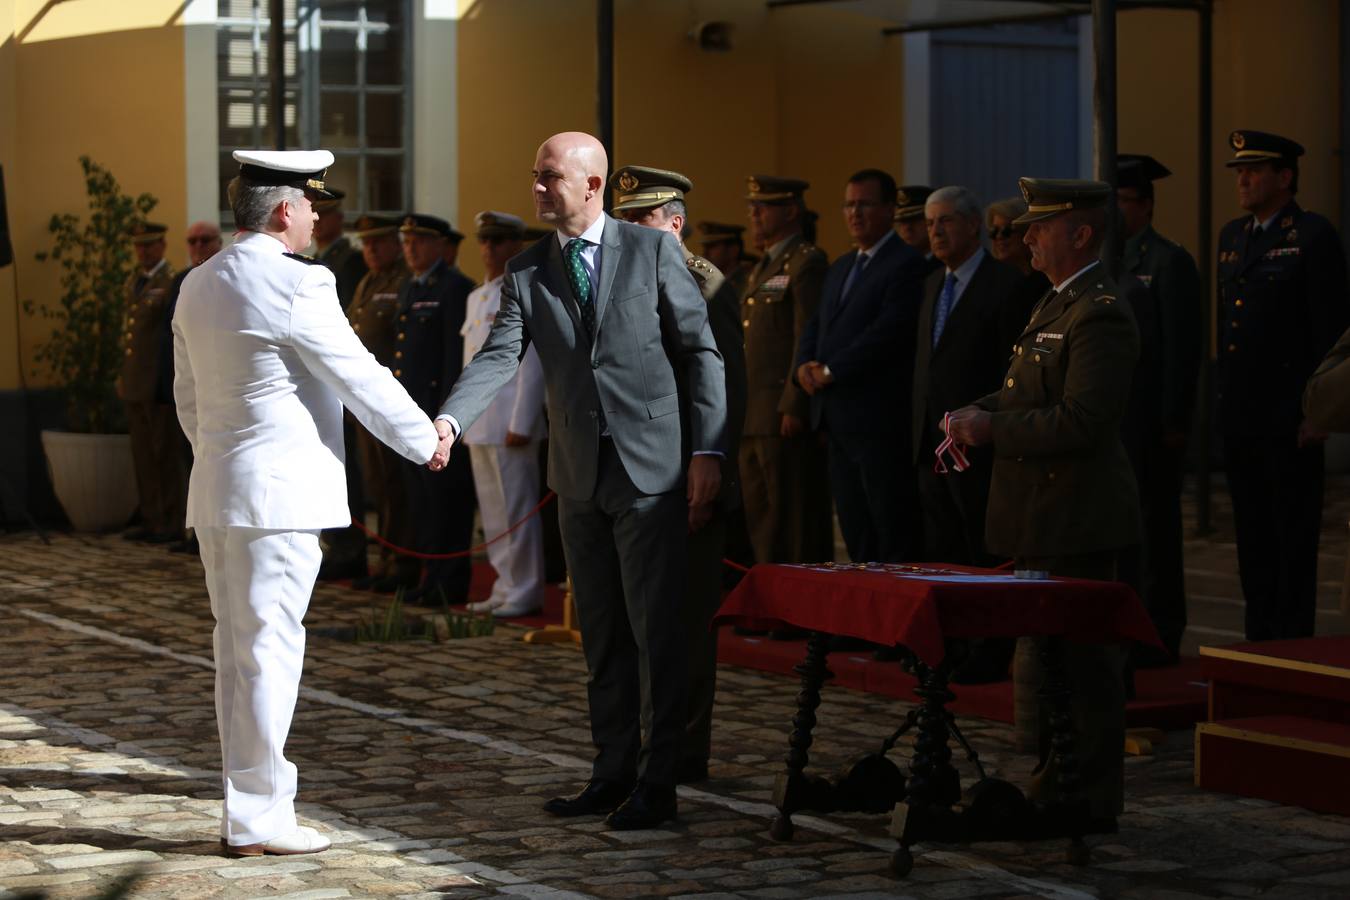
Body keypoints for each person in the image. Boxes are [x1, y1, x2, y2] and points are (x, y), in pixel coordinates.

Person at [437, 132, 726, 829]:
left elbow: (700, 352)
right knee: (601, 632)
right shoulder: (531, 270)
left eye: (549, 178)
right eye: (534, 176)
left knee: (655, 631)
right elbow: (500, 354)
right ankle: (612, 770)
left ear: (592, 185)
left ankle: (660, 783)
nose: (536, 188)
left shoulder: (652, 250)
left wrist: (708, 451)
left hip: (651, 471)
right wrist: (448, 420)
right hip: (577, 474)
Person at [173, 149, 447, 856]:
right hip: (281, 498)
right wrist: (424, 439)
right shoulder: (302, 283)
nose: (319, 216)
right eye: (311, 205)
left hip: (220, 493)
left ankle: (248, 810)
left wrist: (220, 460)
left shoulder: (198, 282)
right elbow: (358, 374)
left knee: (238, 653)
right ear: (285, 211)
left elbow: (189, 399)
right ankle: (261, 816)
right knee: (267, 652)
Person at [946, 177, 1141, 827]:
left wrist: (991, 429)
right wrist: (979, 409)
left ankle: (1085, 798)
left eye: (1041, 226)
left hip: (1077, 518)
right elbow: (1028, 394)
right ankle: (1055, 782)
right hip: (1039, 514)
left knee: (1082, 671)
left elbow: (1083, 419)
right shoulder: (1055, 303)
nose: (1026, 236)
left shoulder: (1100, 310)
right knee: (1049, 664)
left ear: (1080, 234)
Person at [608, 164, 748, 784]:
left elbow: (718, 384)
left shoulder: (705, 283)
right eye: (625, 218)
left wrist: (707, 466)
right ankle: (646, 743)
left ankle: (683, 750)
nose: (631, 228)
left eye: (643, 218)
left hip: (689, 478)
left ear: (675, 223)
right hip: (633, 478)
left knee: (685, 624)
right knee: (635, 622)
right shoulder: (622, 279)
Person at [1217, 129, 1350, 641]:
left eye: (1253, 171)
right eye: (1239, 172)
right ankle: (1258, 644)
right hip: (1242, 416)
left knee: (1292, 540)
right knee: (1252, 541)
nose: (1243, 180)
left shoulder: (1313, 236)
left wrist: (1319, 415)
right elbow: (1225, 331)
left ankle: (1291, 647)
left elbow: (1330, 334)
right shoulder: (1234, 237)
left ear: (1285, 177)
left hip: (1289, 418)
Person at [910, 186, 1025, 683]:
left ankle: (991, 648)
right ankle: (951, 643)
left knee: (985, 551)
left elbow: (1009, 370)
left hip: (979, 443)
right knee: (944, 549)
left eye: (947, 221)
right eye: (931, 223)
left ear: (973, 226)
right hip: (932, 444)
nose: (936, 231)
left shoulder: (1006, 285)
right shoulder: (934, 283)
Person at [795, 168, 924, 563]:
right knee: (854, 526)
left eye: (864, 204)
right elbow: (817, 323)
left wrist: (831, 370)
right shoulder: (842, 265)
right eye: (849, 205)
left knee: (888, 525)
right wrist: (803, 365)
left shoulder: (905, 263)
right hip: (836, 420)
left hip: (878, 419)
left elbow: (888, 333)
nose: (855, 213)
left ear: (889, 209)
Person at [1117, 153, 1203, 664]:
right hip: (1120, 422)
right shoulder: (1111, 258)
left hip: (1153, 423)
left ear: (1146, 206)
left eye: (1125, 201)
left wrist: (1174, 420)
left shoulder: (1167, 261)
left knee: (1157, 532)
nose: (1117, 212)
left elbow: (1181, 349)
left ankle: (1162, 629)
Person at [741, 175, 832, 570]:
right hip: (754, 411)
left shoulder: (806, 262)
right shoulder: (763, 264)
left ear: (791, 211)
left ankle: (797, 612)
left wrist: (795, 402)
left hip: (781, 409)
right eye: (753, 206)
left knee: (793, 519)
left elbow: (805, 335)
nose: (754, 214)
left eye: (764, 206)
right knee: (762, 519)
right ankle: (771, 611)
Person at [459, 210, 547, 618]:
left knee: (517, 510)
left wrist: (523, 421)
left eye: (498, 241)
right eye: (484, 241)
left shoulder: (527, 288)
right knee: (493, 512)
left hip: (511, 420)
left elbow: (532, 363)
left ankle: (526, 588)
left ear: (516, 245)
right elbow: (471, 365)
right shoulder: (477, 297)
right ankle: (504, 583)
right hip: (482, 421)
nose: (489, 249)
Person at [395, 213, 478, 605]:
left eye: (419, 242)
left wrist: (448, 414)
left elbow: (452, 362)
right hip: (412, 413)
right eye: (407, 241)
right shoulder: (410, 288)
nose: (411, 249)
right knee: (424, 502)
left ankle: (450, 581)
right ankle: (431, 578)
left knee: (448, 503)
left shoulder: (455, 288)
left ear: (438, 246)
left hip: (438, 415)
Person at [345, 214, 419, 593]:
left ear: (394, 243)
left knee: (395, 482)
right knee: (377, 481)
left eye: (378, 242)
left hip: (391, 398)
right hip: (364, 400)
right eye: (366, 243)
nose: (370, 250)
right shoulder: (368, 282)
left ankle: (403, 562)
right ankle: (387, 559)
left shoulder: (404, 281)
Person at [157, 221, 224, 554]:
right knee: (190, 462)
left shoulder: (225, 278)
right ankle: (197, 533)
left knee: (212, 463)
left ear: (219, 241)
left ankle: (211, 534)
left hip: (215, 389)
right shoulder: (182, 281)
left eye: (205, 240)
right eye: (192, 241)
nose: (198, 246)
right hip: (185, 388)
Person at [120, 222, 181, 544]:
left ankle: (171, 521)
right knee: (142, 455)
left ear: (161, 245)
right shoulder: (134, 281)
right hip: (135, 383)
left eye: (148, 245)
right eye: (138, 246)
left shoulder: (169, 281)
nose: (142, 252)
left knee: (164, 454)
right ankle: (151, 517)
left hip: (158, 384)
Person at [312, 187, 368, 309]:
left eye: (324, 214)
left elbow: (349, 307)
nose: (317, 220)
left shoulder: (352, 259)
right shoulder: (314, 259)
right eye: (313, 213)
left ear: (340, 217)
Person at [697, 220, 756, 299]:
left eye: (712, 247)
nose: (705, 253)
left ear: (733, 250)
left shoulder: (749, 283)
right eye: (705, 247)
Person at [894, 184, 941, 277]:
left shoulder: (946, 265)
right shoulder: (895, 267)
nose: (908, 228)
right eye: (902, 221)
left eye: (915, 219)